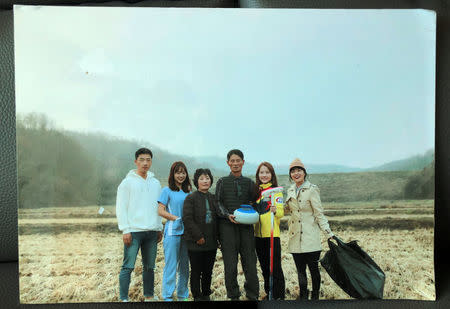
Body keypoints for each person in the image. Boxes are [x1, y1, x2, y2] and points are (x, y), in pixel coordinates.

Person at [116, 147, 163, 302]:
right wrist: (125, 230)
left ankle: (149, 295)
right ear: (136, 161)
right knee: (128, 266)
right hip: (133, 232)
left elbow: (158, 207)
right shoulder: (127, 183)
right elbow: (121, 207)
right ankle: (124, 298)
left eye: (148, 160)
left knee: (150, 267)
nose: (145, 163)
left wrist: (159, 227)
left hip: (151, 232)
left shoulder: (155, 183)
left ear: (151, 162)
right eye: (142, 160)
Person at [285, 158, 334, 300]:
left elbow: (319, 214)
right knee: (300, 270)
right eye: (293, 171)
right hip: (295, 237)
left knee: (313, 270)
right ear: (290, 175)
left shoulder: (312, 189)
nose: (296, 173)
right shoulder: (290, 190)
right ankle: (303, 297)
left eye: (299, 170)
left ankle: (315, 297)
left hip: (310, 237)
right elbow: (289, 210)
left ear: (304, 173)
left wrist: (328, 233)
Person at [215, 149, 259, 301]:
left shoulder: (249, 183)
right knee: (231, 265)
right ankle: (233, 296)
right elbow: (218, 202)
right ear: (228, 163)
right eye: (232, 161)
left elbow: (256, 201)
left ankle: (252, 295)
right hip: (227, 228)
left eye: (238, 160)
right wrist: (227, 215)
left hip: (246, 228)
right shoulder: (222, 181)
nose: (235, 163)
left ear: (243, 162)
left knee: (250, 263)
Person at [182, 168, 219, 301]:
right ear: (196, 181)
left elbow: (218, 219)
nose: (205, 181)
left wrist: (218, 238)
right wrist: (198, 236)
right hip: (195, 242)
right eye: (202, 179)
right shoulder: (191, 198)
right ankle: (197, 296)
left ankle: (206, 294)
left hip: (211, 242)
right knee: (197, 270)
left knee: (208, 271)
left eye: (207, 178)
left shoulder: (213, 198)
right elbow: (187, 219)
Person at [157, 161, 191, 301]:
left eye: (183, 172)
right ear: (173, 174)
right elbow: (160, 211)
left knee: (184, 266)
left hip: (187, 233)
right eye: (178, 172)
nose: (181, 175)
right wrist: (176, 218)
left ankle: (183, 295)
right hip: (172, 232)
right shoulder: (166, 191)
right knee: (171, 265)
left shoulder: (189, 191)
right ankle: (168, 296)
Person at [252, 162, 286, 300]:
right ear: (258, 175)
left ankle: (279, 296)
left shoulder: (276, 191)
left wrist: (275, 210)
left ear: (271, 174)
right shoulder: (255, 192)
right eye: (261, 172)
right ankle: (269, 292)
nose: (264, 175)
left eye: (267, 172)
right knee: (265, 267)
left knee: (275, 267)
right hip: (257, 236)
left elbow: (281, 213)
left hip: (272, 235)